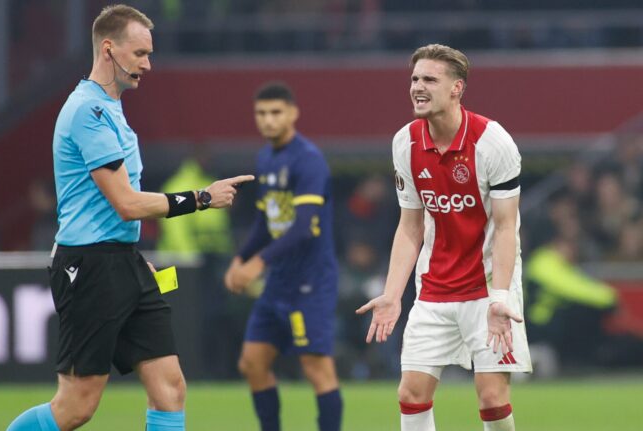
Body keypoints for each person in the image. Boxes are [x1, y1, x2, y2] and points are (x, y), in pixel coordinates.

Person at [5, 5, 253, 431]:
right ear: (108, 49)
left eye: (149, 54)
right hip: (89, 265)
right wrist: (201, 198)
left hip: (121, 259)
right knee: (77, 406)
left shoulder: (110, 108)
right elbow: (126, 202)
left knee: (170, 387)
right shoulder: (88, 111)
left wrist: (129, 253)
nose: (148, 65)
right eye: (140, 53)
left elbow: (120, 211)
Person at [356, 44, 532, 431]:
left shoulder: (492, 142)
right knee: (411, 393)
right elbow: (410, 227)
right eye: (414, 79)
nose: (417, 87)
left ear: (457, 88)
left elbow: (506, 227)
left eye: (429, 79)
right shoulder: (405, 142)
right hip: (435, 287)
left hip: (488, 288)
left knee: (491, 397)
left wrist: (501, 297)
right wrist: (391, 294)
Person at [224, 82, 343, 431]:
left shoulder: (308, 160)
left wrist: (257, 264)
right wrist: (240, 258)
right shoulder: (266, 157)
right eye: (261, 113)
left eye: (276, 112)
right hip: (279, 280)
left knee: (316, 368)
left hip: (310, 280)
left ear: (293, 113)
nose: (268, 120)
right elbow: (267, 222)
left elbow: (304, 226)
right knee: (252, 363)